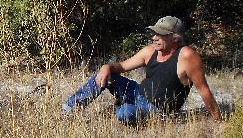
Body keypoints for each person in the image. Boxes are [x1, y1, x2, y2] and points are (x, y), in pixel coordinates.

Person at [62, 16, 222, 124]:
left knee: (125, 114)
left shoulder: (187, 56)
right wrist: (106, 68)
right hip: (138, 92)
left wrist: (218, 120)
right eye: (154, 34)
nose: (154, 38)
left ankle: (122, 107)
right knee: (104, 76)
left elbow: (204, 90)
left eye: (160, 35)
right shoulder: (150, 50)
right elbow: (121, 67)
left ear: (175, 39)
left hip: (157, 108)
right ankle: (69, 110)